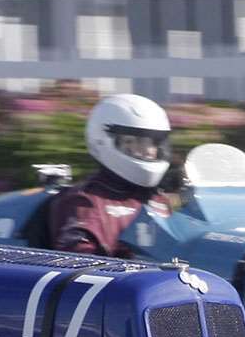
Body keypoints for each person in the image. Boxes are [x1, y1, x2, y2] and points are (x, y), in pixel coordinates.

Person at [45, 94, 172, 258]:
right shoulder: (85, 201)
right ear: (102, 140)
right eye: (133, 141)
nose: (147, 150)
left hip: (169, 283)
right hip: (127, 282)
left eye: (152, 142)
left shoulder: (158, 200)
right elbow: (78, 261)